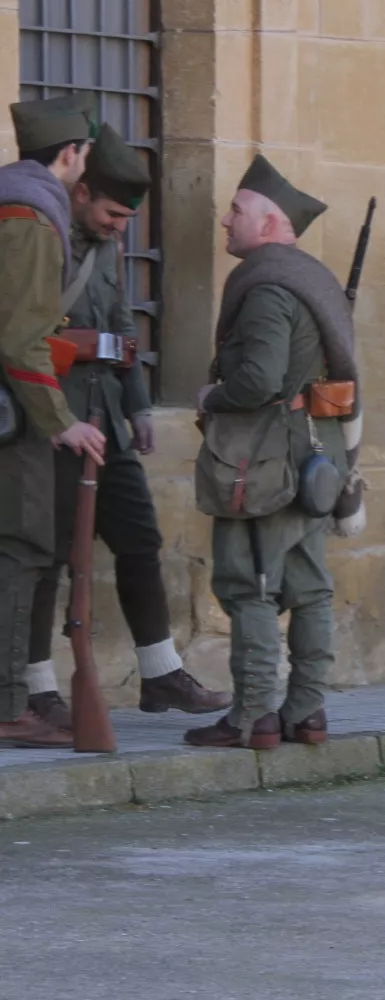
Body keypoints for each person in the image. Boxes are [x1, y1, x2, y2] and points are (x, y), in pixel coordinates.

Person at [24, 124, 231, 730]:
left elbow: (123, 333)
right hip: (51, 421)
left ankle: (161, 671)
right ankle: (37, 687)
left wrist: (138, 406)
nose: (119, 227)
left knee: (140, 541)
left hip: (105, 421)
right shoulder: (39, 234)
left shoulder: (106, 249)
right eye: (113, 213)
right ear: (80, 191)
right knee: (48, 557)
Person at [184, 155, 357, 750]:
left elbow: (259, 379)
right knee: (308, 585)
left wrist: (213, 394)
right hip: (316, 455)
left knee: (249, 583)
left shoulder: (267, 287)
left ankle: (252, 715)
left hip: (266, 458)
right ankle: (306, 712)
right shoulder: (313, 280)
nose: (225, 220)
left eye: (236, 210)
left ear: (270, 221)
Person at [0, 93, 104, 748]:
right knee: (24, 546)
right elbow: (21, 339)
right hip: (14, 416)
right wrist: (61, 420)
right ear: (70, 155)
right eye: (83, 155)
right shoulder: (32, 219)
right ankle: (11, 701)